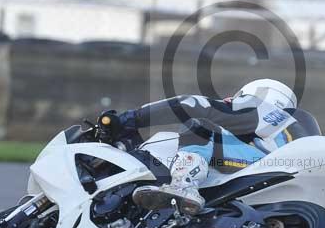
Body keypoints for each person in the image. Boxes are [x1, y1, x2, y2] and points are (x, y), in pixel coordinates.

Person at [111, 79, 300, 215]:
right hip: (288, 180)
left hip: (266, 165)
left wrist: (131, 119)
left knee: (200, 125)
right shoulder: (292, 128)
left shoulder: (261, 110)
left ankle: (183, 185)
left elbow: (192, 104)